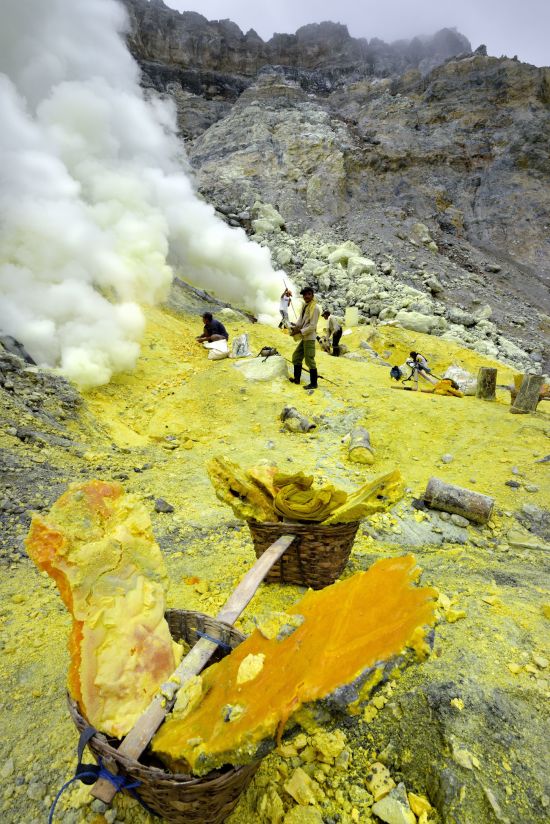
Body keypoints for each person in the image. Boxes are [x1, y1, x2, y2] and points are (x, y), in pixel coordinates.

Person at [289, 286, 320, 390]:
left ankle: (314, 384)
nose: (306, 296)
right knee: (296, 357)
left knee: (309, 360)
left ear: (312, 295)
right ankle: (297, 379)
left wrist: (300, 331)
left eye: (308, 294)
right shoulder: (306, 306)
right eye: (304, 294)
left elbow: (312, 326)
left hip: (309, 338)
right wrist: (295, 327)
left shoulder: (315, 308)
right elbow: (301, 321)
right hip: (304, 338)